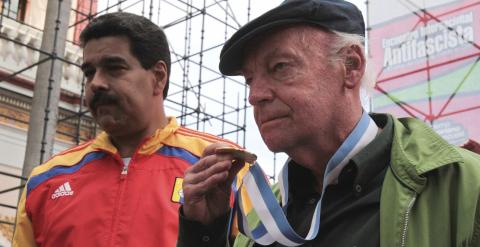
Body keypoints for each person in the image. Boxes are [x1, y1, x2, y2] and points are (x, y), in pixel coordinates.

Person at [177, 0, 480, 246]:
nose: (255, 96)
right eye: (250, 80)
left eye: (280, 67)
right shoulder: (261, 219)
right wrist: (205, 231)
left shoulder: (463, 186)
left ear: (351, 66)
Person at [13, 12, 238, 247]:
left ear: (158, 77)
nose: (96, 83)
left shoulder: (224, 168)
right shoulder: (46, 181)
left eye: (114, 68)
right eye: (89, 72)